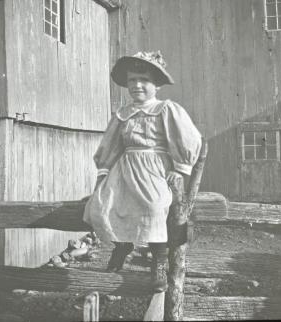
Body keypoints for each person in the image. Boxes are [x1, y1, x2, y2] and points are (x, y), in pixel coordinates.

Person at [83, 51, 203, 292]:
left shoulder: (166, 109)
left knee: (155, 206)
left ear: (156, 85)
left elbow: (189, 138)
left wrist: (179, 170)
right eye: (131, 81)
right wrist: (104, 173)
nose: (137, 85)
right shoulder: (123, 114)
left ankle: (159, 259)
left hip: (154, 168)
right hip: (124, 169)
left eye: (144, 80)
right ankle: (122, 246)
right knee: (103, 205)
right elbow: (111, 145)